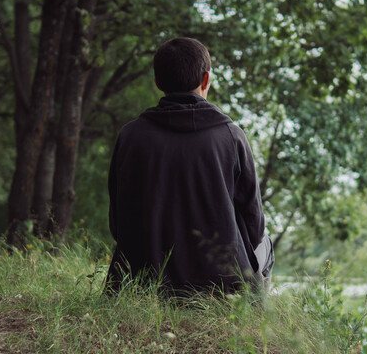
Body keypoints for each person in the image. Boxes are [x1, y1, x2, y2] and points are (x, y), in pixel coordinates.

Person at [105, 37, 273, 296]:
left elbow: (118, 223)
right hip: (223, 285)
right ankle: (255, 305)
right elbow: (254, 226)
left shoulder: (130, 136)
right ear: (206, 80)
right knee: (267, 244)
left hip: (142, 280)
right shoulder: (231, 136)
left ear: (157, 82)